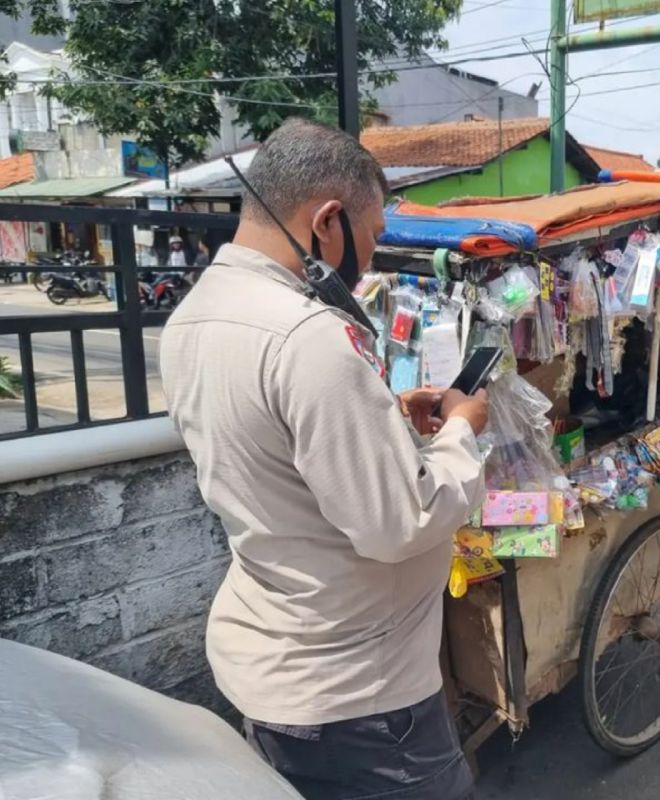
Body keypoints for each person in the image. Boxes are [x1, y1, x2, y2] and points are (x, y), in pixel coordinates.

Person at [159, 118, 488, 800]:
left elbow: (272, 449)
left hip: (279, 664)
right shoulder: (310, 336)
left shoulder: (195, 315)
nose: (365, 264)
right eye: (369, 241)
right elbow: (401, 523)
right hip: (359, 700)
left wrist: (387, 423)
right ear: (328, 222)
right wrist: (460, 430)